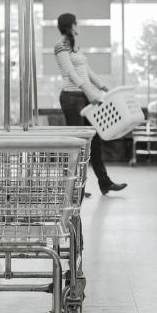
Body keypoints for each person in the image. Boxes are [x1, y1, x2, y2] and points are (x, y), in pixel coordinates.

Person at [54, 12, 127, 195]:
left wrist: (105, 88)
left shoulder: (76, 48)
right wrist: (89, 92)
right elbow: (71, 73)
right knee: (77, 144)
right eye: (76, 23)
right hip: (71, 98)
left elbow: (88, 72)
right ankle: (73, 188)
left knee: (94, 142)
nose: (78, 26)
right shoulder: (60, 47)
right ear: (71, 25)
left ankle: (105, 182)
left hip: (84, 98)